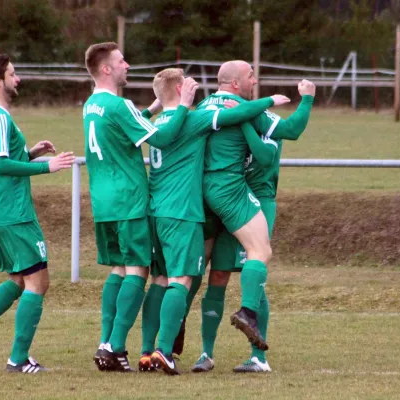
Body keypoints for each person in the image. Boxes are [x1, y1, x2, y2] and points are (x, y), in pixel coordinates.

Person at [137, 68, 289, 375]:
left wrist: (156, 104)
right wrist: (271, 99)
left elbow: (135, 120)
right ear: (182, 90)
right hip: (185, 212)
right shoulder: (193, 119)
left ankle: (147, 350)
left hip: (155, 210)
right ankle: (165, 350)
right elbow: (238, 116)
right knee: (183, 281)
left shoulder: (151, 124)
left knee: (161, 281)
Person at [0, 53, 76, 374]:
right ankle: (18, 360)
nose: (17, 78)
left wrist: (31, 153)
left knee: (19, 279)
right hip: (13, 212)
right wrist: (46, 166)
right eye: (12, 73)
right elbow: (0, 164)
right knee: (38, 282)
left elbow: (3, 157)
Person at [190, 67, 316, 373]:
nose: (255, 80)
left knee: (251, 275)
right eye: (251, 75)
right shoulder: (235, 109)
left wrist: (245, 117)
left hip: (258, 197)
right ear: (236, 83)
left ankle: (258, 357)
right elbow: (290, 129)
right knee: (221, 274)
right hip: (234, 197)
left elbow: (267, 154)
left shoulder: (233, 110)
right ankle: (206, 353)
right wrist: (305, 99)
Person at [82, 42, 198, 372]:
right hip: (129, 199)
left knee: (118, 270)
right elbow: (160, 139)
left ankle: (106, 342)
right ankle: (115, 347)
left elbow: (126, 128)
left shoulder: (92, 105)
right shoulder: (119, 105)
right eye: (121, 61)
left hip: (103, 201)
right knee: (138, 271)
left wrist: (153, 108)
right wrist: (184, 107)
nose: (127, 65)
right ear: (106, 69)